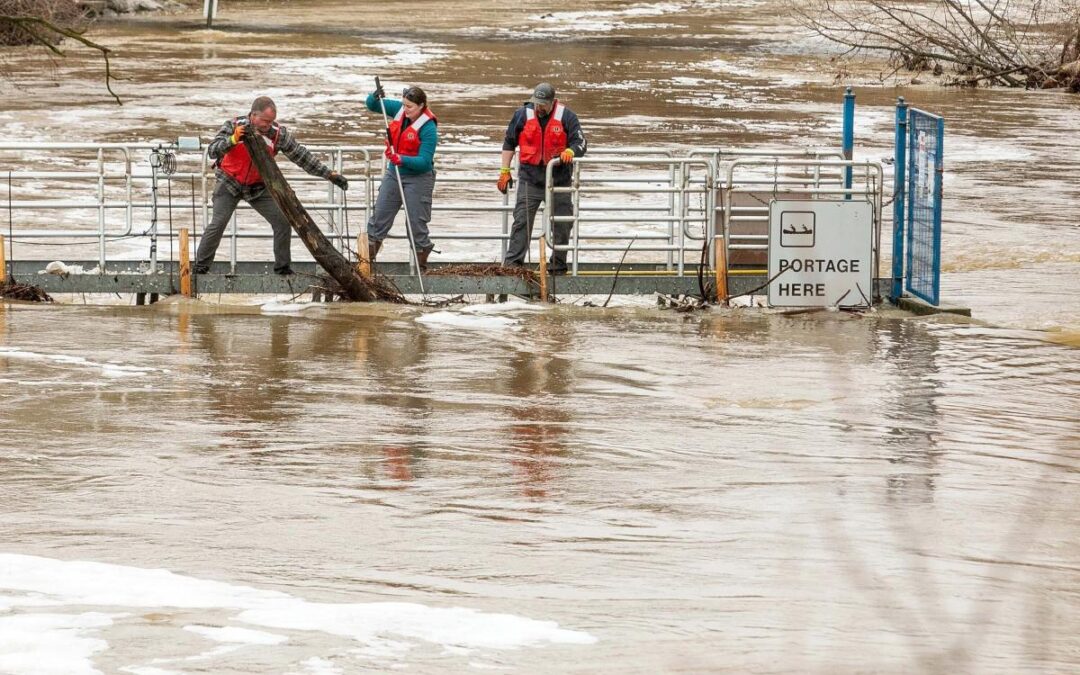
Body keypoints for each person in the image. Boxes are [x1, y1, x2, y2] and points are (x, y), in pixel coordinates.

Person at [196, 96, 348, 275]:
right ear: (253, 115)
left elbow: (301, 156)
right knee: (218, 223)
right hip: (229, 182)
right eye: (264, 121)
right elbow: (213, 151)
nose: (267, 125)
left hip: (258, 186)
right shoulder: (232, 125)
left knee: (283, 222)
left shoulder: (278, 134)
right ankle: (200, 267)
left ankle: (282, 268)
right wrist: (233, 139)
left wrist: (329, 175)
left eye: (270, 121)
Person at [498, 82, 587, 274]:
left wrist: (571, 151)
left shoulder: (567, 117)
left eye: (543, 104)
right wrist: (505, 170)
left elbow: (581, 142)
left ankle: (558, 265)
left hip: (559, 180)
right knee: (521, 221)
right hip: (530, 179)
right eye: (536, 103)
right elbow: (509, 142)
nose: (539, 107)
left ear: (552, 102)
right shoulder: (522, 115)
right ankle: (513, 265)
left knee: (562, 223)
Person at [364, 84, 438, 271]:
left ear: (421, 106)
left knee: (415, 222)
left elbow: (424, 161)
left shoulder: (428, 128)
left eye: (410, 107)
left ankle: (422, 255)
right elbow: (372, 105)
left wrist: (401, 159)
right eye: (404, 105)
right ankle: (366, 262)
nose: (406, 110)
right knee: (380, 215)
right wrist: (375, 97)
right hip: (393, 174)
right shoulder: (399, 109)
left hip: (418, 178)